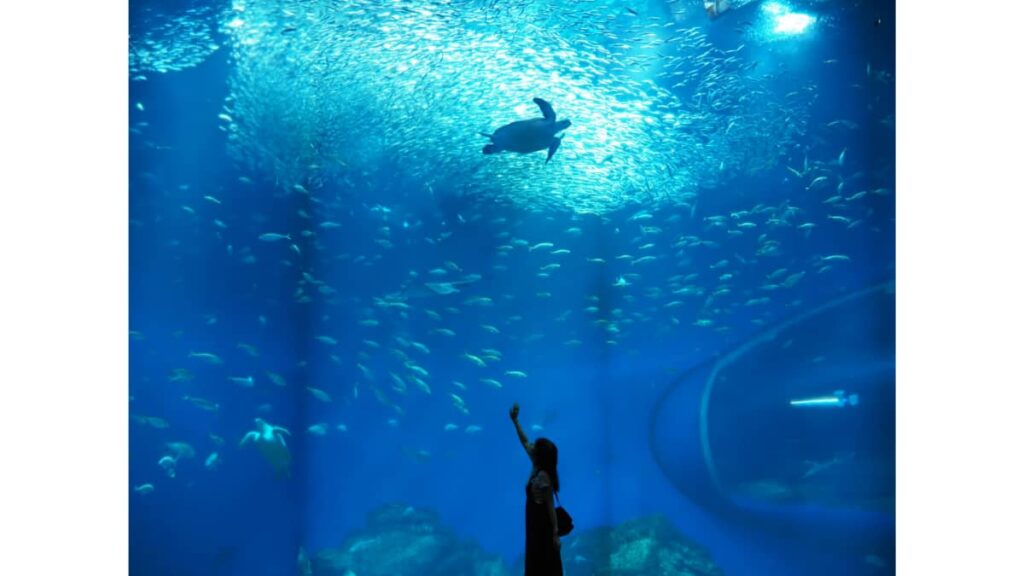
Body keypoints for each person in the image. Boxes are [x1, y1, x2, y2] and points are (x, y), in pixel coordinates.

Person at [510, 403, 564, 576]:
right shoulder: (536, 464)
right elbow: (525, 441)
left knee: (543, 562)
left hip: (542, 526)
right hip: (533, 522)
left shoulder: (543, 478)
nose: (531, 445)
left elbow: (549, 506)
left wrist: (555, 534)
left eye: (535, 445)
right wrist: (515, 420)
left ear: (540, 456)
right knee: (535, 560)